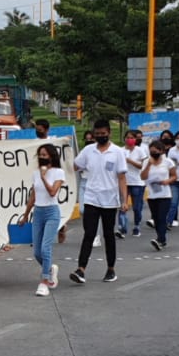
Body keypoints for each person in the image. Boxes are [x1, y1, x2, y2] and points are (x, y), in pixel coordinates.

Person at [72, 120, 128, 284]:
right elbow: (75, 166)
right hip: (91, 198)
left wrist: (125, 200)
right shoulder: (88, 150)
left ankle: (111, 269)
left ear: (109, 133)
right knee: (89, 234)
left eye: (103, 134)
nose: (100, 136)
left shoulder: (117, 152)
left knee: (109, 235)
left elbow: (122, 177)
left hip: (110, 200)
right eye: (97, 134)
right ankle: (81, 269)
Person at [22, 143, 65, 296]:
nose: (42, 157)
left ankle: (44, 281)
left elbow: (53, 192)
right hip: (38, 212)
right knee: (36, 252)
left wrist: (43, 177)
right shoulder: (35, 173)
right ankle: (50, 269)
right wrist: (26, 214)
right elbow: (33, 195)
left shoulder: (58, 172)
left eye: (45, 154)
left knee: (46, 248)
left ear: (52, 156)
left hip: (52, 212)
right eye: (40, 154)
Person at [142, 140, 173, 250]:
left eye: (155, 151)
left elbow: (174, 176)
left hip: (165, 194)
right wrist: (149, 165)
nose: (153, 153)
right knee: (156, 218)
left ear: (161, 151)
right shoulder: (146, 162)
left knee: (161, 217)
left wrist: (167, 181)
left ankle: (160, 239)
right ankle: (161, 239)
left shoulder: (168, 162)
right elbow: (143, 177)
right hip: (152, 194)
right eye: (151, 152)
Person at [120, 131, 148, 238]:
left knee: (137, 207)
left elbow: (142, 166)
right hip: (124, 181)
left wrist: (129, 161)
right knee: (122, 205)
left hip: (137, 182)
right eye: (127, 137)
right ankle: (122, 227)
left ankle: (136, 226)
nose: (129, 139)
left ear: (135, 139)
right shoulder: (120, 150)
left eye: (132, 138)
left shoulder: (140, 151)